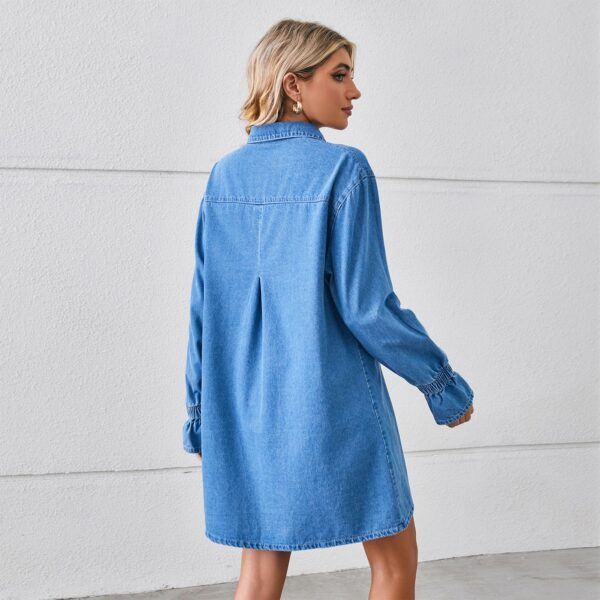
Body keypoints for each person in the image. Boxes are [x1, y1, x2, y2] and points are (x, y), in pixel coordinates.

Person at [182, 18, 475, 600]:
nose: (354, 91)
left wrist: (198, 413)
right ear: (293, 84)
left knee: (258, 571)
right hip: (335, 401)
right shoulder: (344, 169)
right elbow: (368, 309)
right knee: (395, 561)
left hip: (243, 405)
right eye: (339, 76)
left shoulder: (224, 175)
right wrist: (441, 383)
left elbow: (204, 311)